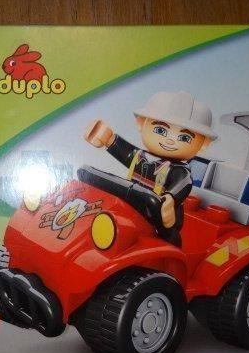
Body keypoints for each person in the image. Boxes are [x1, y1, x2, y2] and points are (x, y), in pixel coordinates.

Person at [84, 91, 217, 245]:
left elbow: (183, 182)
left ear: (203, 144)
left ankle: (170, 249)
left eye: (184, 138)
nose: (170, 141)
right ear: (141, 124)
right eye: (161, 130)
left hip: (158, 221)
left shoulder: (179, 171)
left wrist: (170, 198)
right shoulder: (140, 157)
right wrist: (108, 139)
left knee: (168, 236)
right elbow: (125, 152)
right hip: (129, 208)